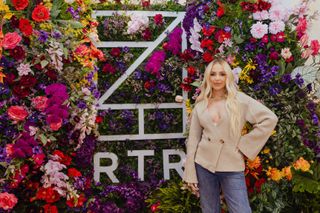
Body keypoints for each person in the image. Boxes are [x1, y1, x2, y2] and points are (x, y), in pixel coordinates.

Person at [183, 58, 278, 213]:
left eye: (222, 74)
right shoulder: (200, 105)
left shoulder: (240, 100)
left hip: (232, 165)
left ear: (228, 76)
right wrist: (190, 173)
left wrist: (243, 145)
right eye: (213, 74)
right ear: (208, 77)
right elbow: (193, 141)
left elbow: (270, 119)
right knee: (209, 210)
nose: (217, 78)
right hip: (204, 164)